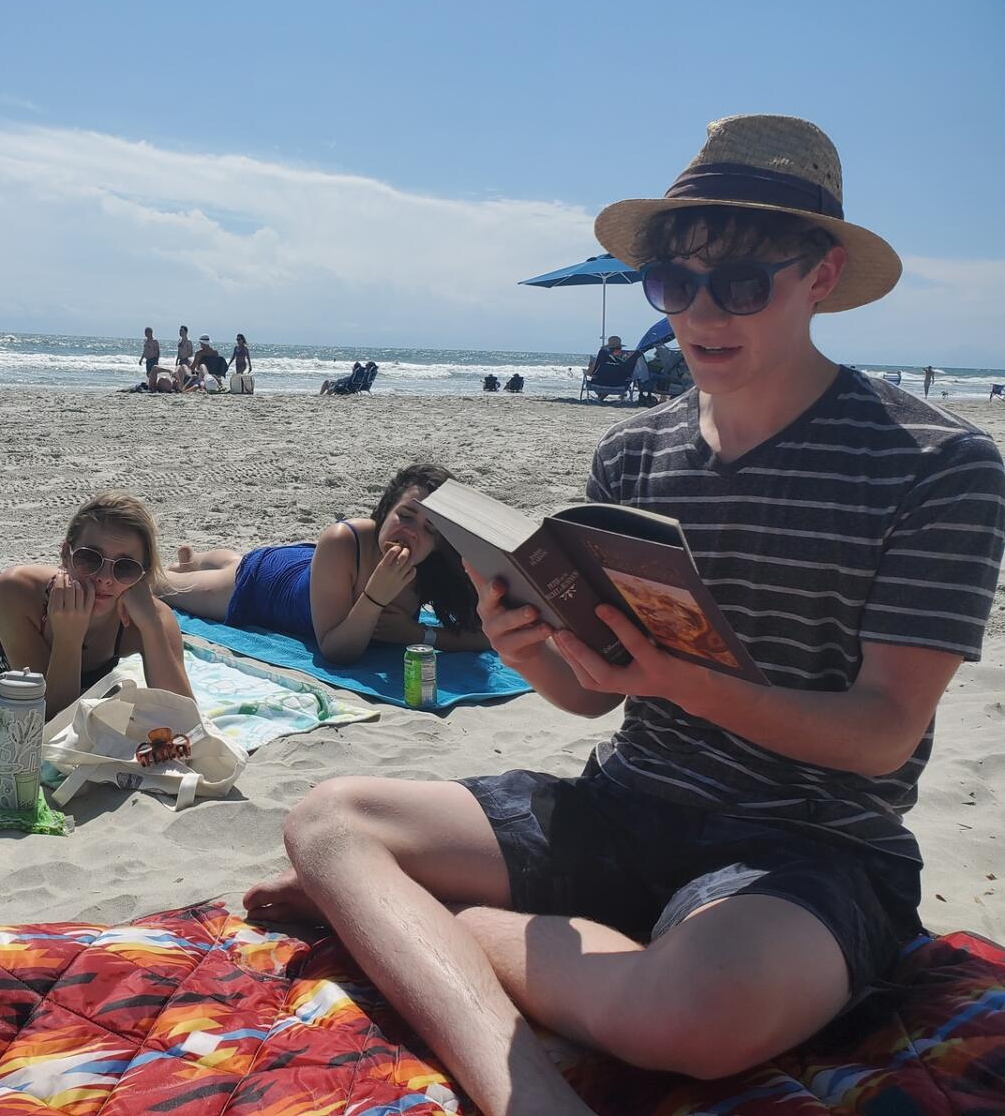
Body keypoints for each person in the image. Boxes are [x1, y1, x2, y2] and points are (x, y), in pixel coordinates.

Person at [241, 115, 1005, 1112]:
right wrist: (531, 644)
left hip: (813, 841)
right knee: (331, 818)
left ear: (821, 276)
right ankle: (524, 1086)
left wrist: (674, 678)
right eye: (673, 283)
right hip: (624, 804)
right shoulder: (636, 455)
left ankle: (444, 927)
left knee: (692, 1023)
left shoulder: (937, 467)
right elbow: (596, 701)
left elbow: (878, 735)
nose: (700, 311)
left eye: (740, 283)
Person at [0, 493, 192, 718]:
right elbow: (52, 714)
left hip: (4, 609)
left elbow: (183, 715)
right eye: (90, 559)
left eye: (124, 567)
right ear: (66, 554)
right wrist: (68, 638)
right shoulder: (16, 587)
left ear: (142, 572)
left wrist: (152, 626)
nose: (104, 579)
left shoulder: (148, 617)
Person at [164, 464, 486, 663]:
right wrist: (374, 598)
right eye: (405, 516)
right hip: (265, 585)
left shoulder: (429, 567)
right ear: (386, 509)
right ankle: (191, 568)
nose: (413, 534)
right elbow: (335, 650)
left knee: (231, 562)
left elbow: (486, 637)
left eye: (430, 529)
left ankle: (195, 560)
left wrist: (421, 634)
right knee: (165, 586)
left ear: (438, 544)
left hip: (316, 569)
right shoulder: (343, 540)